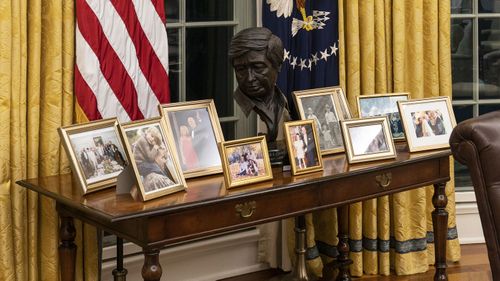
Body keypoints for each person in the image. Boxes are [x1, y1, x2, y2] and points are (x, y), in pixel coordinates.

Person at [229, 27, 290, 142]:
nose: (250, 78)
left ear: (278, 65)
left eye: (258, 67)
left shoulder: (282, 101)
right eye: (241, 69)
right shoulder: (230, 107)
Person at [132, 127, 175, 192]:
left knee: (153, 168)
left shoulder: (146, 140)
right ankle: (166, 180)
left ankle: (166, 178)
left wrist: (157, 146)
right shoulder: (143, 140)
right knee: (156, 167)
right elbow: (150, 158)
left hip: (142, 165)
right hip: (139, 165)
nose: (152, 139)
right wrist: (155, 147)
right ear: (147, 132)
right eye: (152, 136)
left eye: (154, 140)